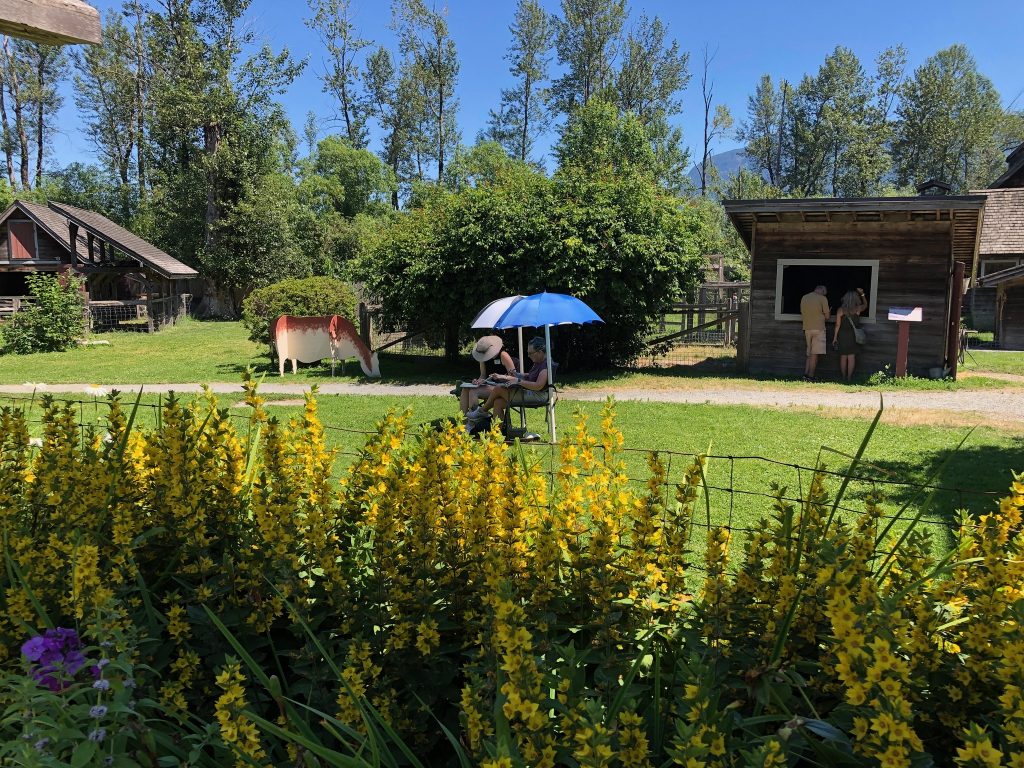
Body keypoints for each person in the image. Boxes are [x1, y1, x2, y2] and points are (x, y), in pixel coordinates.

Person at [466, 336, 550, 429]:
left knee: (498, 388)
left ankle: (481, 412)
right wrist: (505, 376)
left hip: (539, 395)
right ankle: (496, 434)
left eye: (530, 353)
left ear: (540, 352)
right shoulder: (539, 362)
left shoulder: (545, 366)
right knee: (498, 402)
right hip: (531, 392)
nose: (528, 356)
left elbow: (538, 386)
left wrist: (518, 381)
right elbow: (529, 376)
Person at [458, 335, 517, 414]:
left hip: (503, 387)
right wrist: (478, 381)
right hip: (490, 385)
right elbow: (483, 375)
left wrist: (500, 376)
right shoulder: (482, 358)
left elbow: (514, 377)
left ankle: (475, 419)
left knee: (473, 391)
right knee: (465, 389)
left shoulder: (503, 355)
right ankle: (463, 420)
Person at [832, 288, 868, 381]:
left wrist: (835, 338)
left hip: (842, 335)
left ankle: (843, 377)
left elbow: (837, 325)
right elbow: (865, 305)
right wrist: (862, 294)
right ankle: (849, 378)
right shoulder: (858, 309)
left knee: (843, 357)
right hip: (853, 335)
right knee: (851, 357)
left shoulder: (840, 310)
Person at [799, 285, 831, 381]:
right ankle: (811, 376)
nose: (824, 294)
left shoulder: (804, 297)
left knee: (809, 353)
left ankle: (805, 374)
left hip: (807, 328)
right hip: (819, 329)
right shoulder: (822, 298)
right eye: (824, 292)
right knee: (815, 354)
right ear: (822, 290)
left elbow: (802, 312)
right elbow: (827, 317)